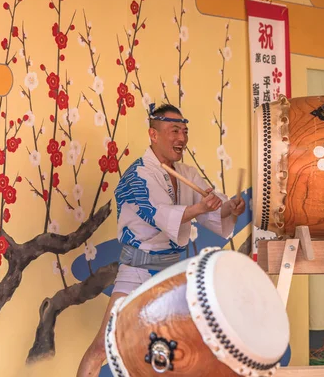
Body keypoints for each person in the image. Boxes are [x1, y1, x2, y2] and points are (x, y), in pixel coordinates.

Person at [76, 104, 245, 377]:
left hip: (169, 275)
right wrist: (199, 209)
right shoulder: (138, 176)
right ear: (153, 135)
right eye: (174, 130)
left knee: (173, 352)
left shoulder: (186, 173)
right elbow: (159, 214)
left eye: (185, 131)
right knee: (104, 348)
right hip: (138, 270)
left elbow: (212, 211)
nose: (182, 138)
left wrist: (229, 207)